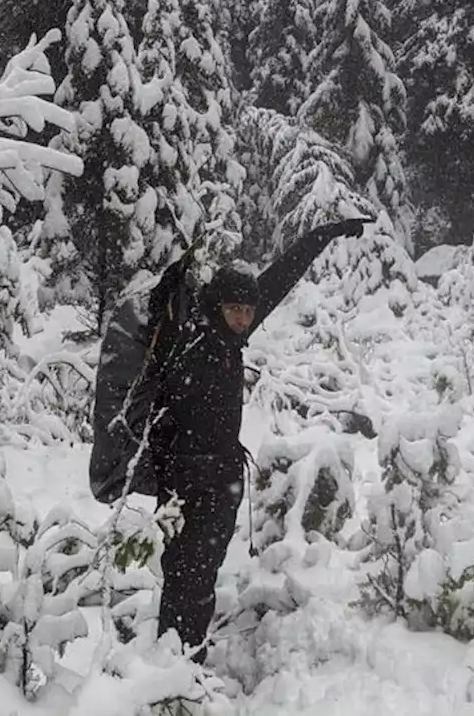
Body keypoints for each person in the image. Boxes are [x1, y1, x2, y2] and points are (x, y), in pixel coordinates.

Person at [146, 217, 367, 659]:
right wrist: (171, 282)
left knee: (203, 572)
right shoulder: (188, 339)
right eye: (235, 310)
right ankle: (175, 664)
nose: (244, 318)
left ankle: (187, 657)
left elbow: (283, 274)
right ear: (218, 305)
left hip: (223, 476)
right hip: (184, 479)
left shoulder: (232, 335)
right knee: (182, 572)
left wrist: (323, 234)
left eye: (248, 311)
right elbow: (160, 320)